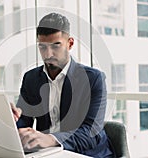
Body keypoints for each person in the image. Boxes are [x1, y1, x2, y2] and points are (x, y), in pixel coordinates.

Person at [11, 12, 115, 157]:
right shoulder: (31, 78)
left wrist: (50, 139)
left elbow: (91, 134)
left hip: (88, 154)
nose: (48, 54)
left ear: (70, 43)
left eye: (56, 46)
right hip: (48, 153)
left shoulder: (93, 79)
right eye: (42, 47)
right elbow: (23, 122)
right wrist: (10, 119)